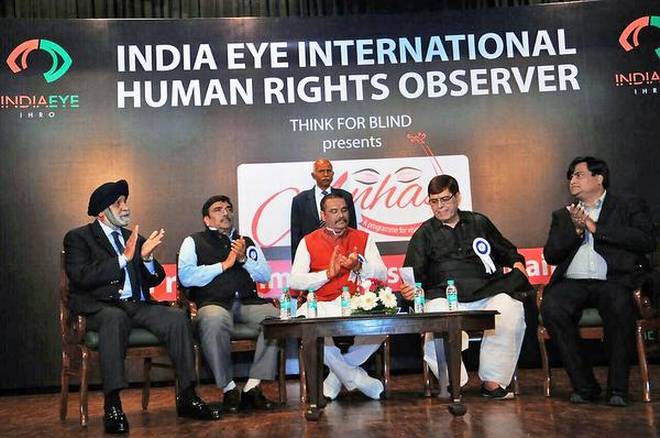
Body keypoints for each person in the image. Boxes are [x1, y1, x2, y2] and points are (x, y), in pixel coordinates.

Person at [63, 180, 220, 434]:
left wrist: (146, 259)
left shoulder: (133, 238)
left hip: (136, 305)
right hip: (100, 307)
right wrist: (122, 259)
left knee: (177, 317)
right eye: (118, 203)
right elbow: (81, 276)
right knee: (114, 319)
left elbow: (156, 278)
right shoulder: (78, 238)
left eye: (125, 201)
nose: (125, 207)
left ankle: (187, 396)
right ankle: (113, 405)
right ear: (102, 212)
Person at [400, 175, 529, 400]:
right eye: (434, 201)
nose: (440, 206)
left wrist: (518, 263)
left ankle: (493, 381)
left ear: (457, 197)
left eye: (445, 199)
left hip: (486, 292)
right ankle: (454, 382)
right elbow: (413, 276)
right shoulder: (424, 233)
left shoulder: (479, 222)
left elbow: (507, 251)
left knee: (510, 308)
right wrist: (409, 290)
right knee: (435, 315)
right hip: (444, 296)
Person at [541, 156, 656, 407]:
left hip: (613, 280)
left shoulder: (627, 206)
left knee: (619, 305)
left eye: (579, 175)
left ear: (599, 178)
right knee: (552, 306)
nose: (573, 180)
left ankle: (618, 389)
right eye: (571, 176)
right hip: (573, 283)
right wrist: (577, 231)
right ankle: (584, 386)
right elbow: (551, 256)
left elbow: (646, 240)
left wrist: (595, 228)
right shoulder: (563, 215)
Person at [178, 195, 278, 413]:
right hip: (213, 303)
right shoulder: (193, 241)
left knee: (275, 320)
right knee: (213, 321)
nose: (225, 212)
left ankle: (253, 386)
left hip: (247, 302)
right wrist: (223, 265)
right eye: (218, 209)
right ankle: (229, 388)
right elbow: (186, 277)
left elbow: (265, 276)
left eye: (228, 208)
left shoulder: (245, 242)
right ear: (206, 219)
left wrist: (243, 260)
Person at [289, 193, 387, 400]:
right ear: (323, 215)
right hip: (322, 304)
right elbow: (295, 282)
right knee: (307, 323)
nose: (341, 215)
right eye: (333, 211)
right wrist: (327, 274)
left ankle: (336, 377)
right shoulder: (308, 241)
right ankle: (356, 378)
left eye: (344, 210)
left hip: (356, 302)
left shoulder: (363, 238)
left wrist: (359, 267)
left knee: (382, 326)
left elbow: (383, 274)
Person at [290, 158, 357, 261]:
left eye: (328, 171)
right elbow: (296, 236)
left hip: (341, 256)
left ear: (333, 174)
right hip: (312, 256)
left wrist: (353, 259)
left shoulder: (345, 197)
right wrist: (296, 263)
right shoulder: (300, 200)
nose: (326, 174)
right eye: (321, 171)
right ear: (313, 175)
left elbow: (352, 230)